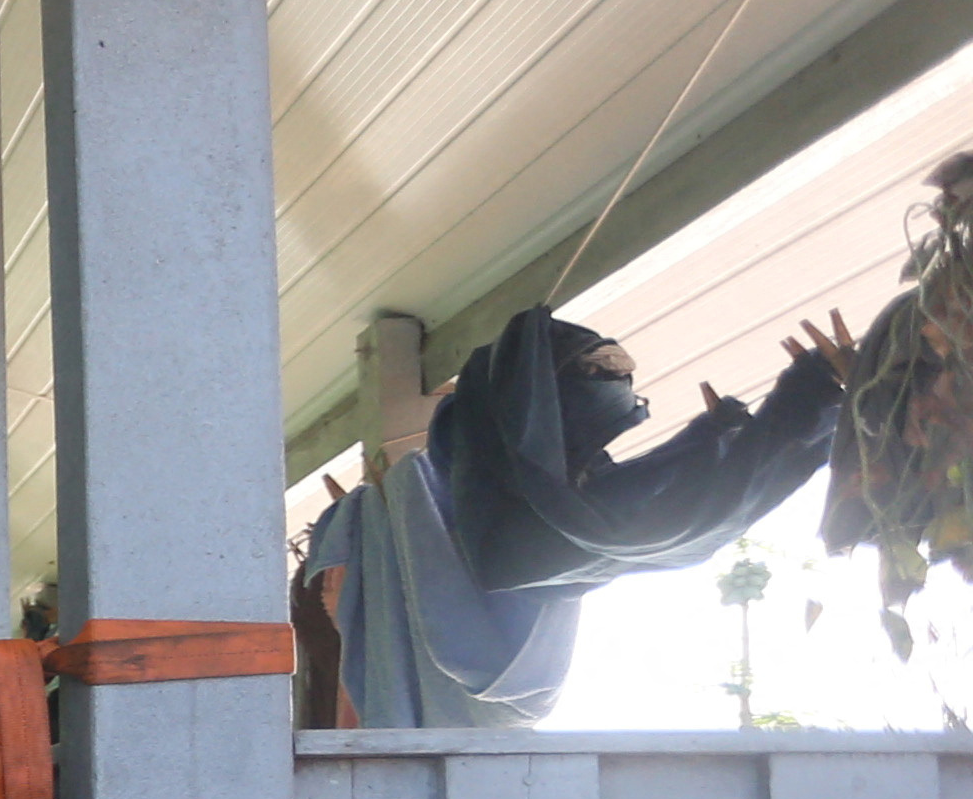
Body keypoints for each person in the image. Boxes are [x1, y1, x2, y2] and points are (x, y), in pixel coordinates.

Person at [295, 305, 851, 726]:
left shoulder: (553, 504)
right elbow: (684, 511)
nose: (620, 387)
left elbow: (681, 507)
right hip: (428, 778)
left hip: (455, 777)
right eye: (600, 370)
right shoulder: (517, 519)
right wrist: (797, 404)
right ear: (527, 396)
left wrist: (730, 433)